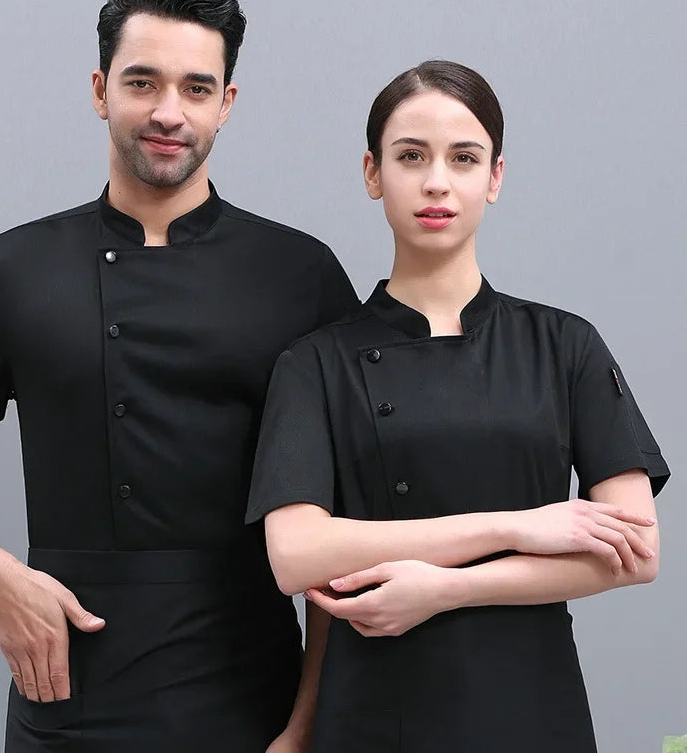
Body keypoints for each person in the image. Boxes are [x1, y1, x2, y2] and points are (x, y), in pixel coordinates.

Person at [0, 0, 358, 752]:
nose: (168, 112)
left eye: (196, 88)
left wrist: (306, 726)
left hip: (250, 694)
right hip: (65, 692)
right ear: (100, 90)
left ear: (226, 104)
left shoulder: (301, 275)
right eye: (142, 82)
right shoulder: (17, 267)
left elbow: (342, 522)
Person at [246, 60, 669, 752]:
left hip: (532, 705)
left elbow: (637, 551)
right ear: (373, 173)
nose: (436, 181)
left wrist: (444, 589)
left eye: (464, 158)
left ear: (495, 177)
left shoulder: (565, 345)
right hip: (374, 711)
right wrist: (520, 525)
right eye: (411, 156)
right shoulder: (314, 363)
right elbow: (295, 555)